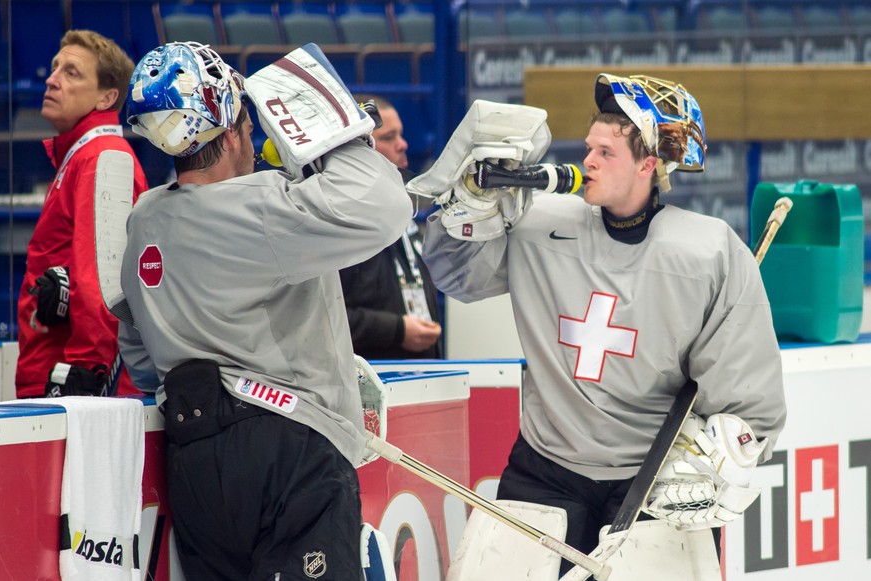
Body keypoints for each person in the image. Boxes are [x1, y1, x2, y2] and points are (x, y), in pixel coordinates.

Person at [420, 75, 787, 576]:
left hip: (652, 486)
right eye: (589, 145)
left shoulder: (709, 252)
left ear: (647, 164)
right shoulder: (537, 222)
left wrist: (718, 456)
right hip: (542, 472)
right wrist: (467, 214)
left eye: (606, 152)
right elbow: (456, 277)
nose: (587, 159)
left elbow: (749, 402)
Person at [118, 42, 410, 580]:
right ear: (229, 133)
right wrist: (333, 139)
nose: (253, 140)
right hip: (287, 446)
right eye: (249, 129)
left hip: (194, 457)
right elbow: (386, 206)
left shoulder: (144, 220)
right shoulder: (262, 206)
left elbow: (137, 349)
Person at [16, 30, 149, 398]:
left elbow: (103, 288)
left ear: (107, 97)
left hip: (77, 386)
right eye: (56, 68)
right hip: (52, 369)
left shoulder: (101, 156)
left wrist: (87, 375)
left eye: (72, 73)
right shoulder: (82, 157)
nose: (52, 79)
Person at [339, 95, 442, 360]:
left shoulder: (402, 210)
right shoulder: (337, 225)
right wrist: (396, 330)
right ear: (359, 148)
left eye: (402, 135)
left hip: (422, 377)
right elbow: (322, 319)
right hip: (370, 385)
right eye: (389, 137)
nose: (403, 144)